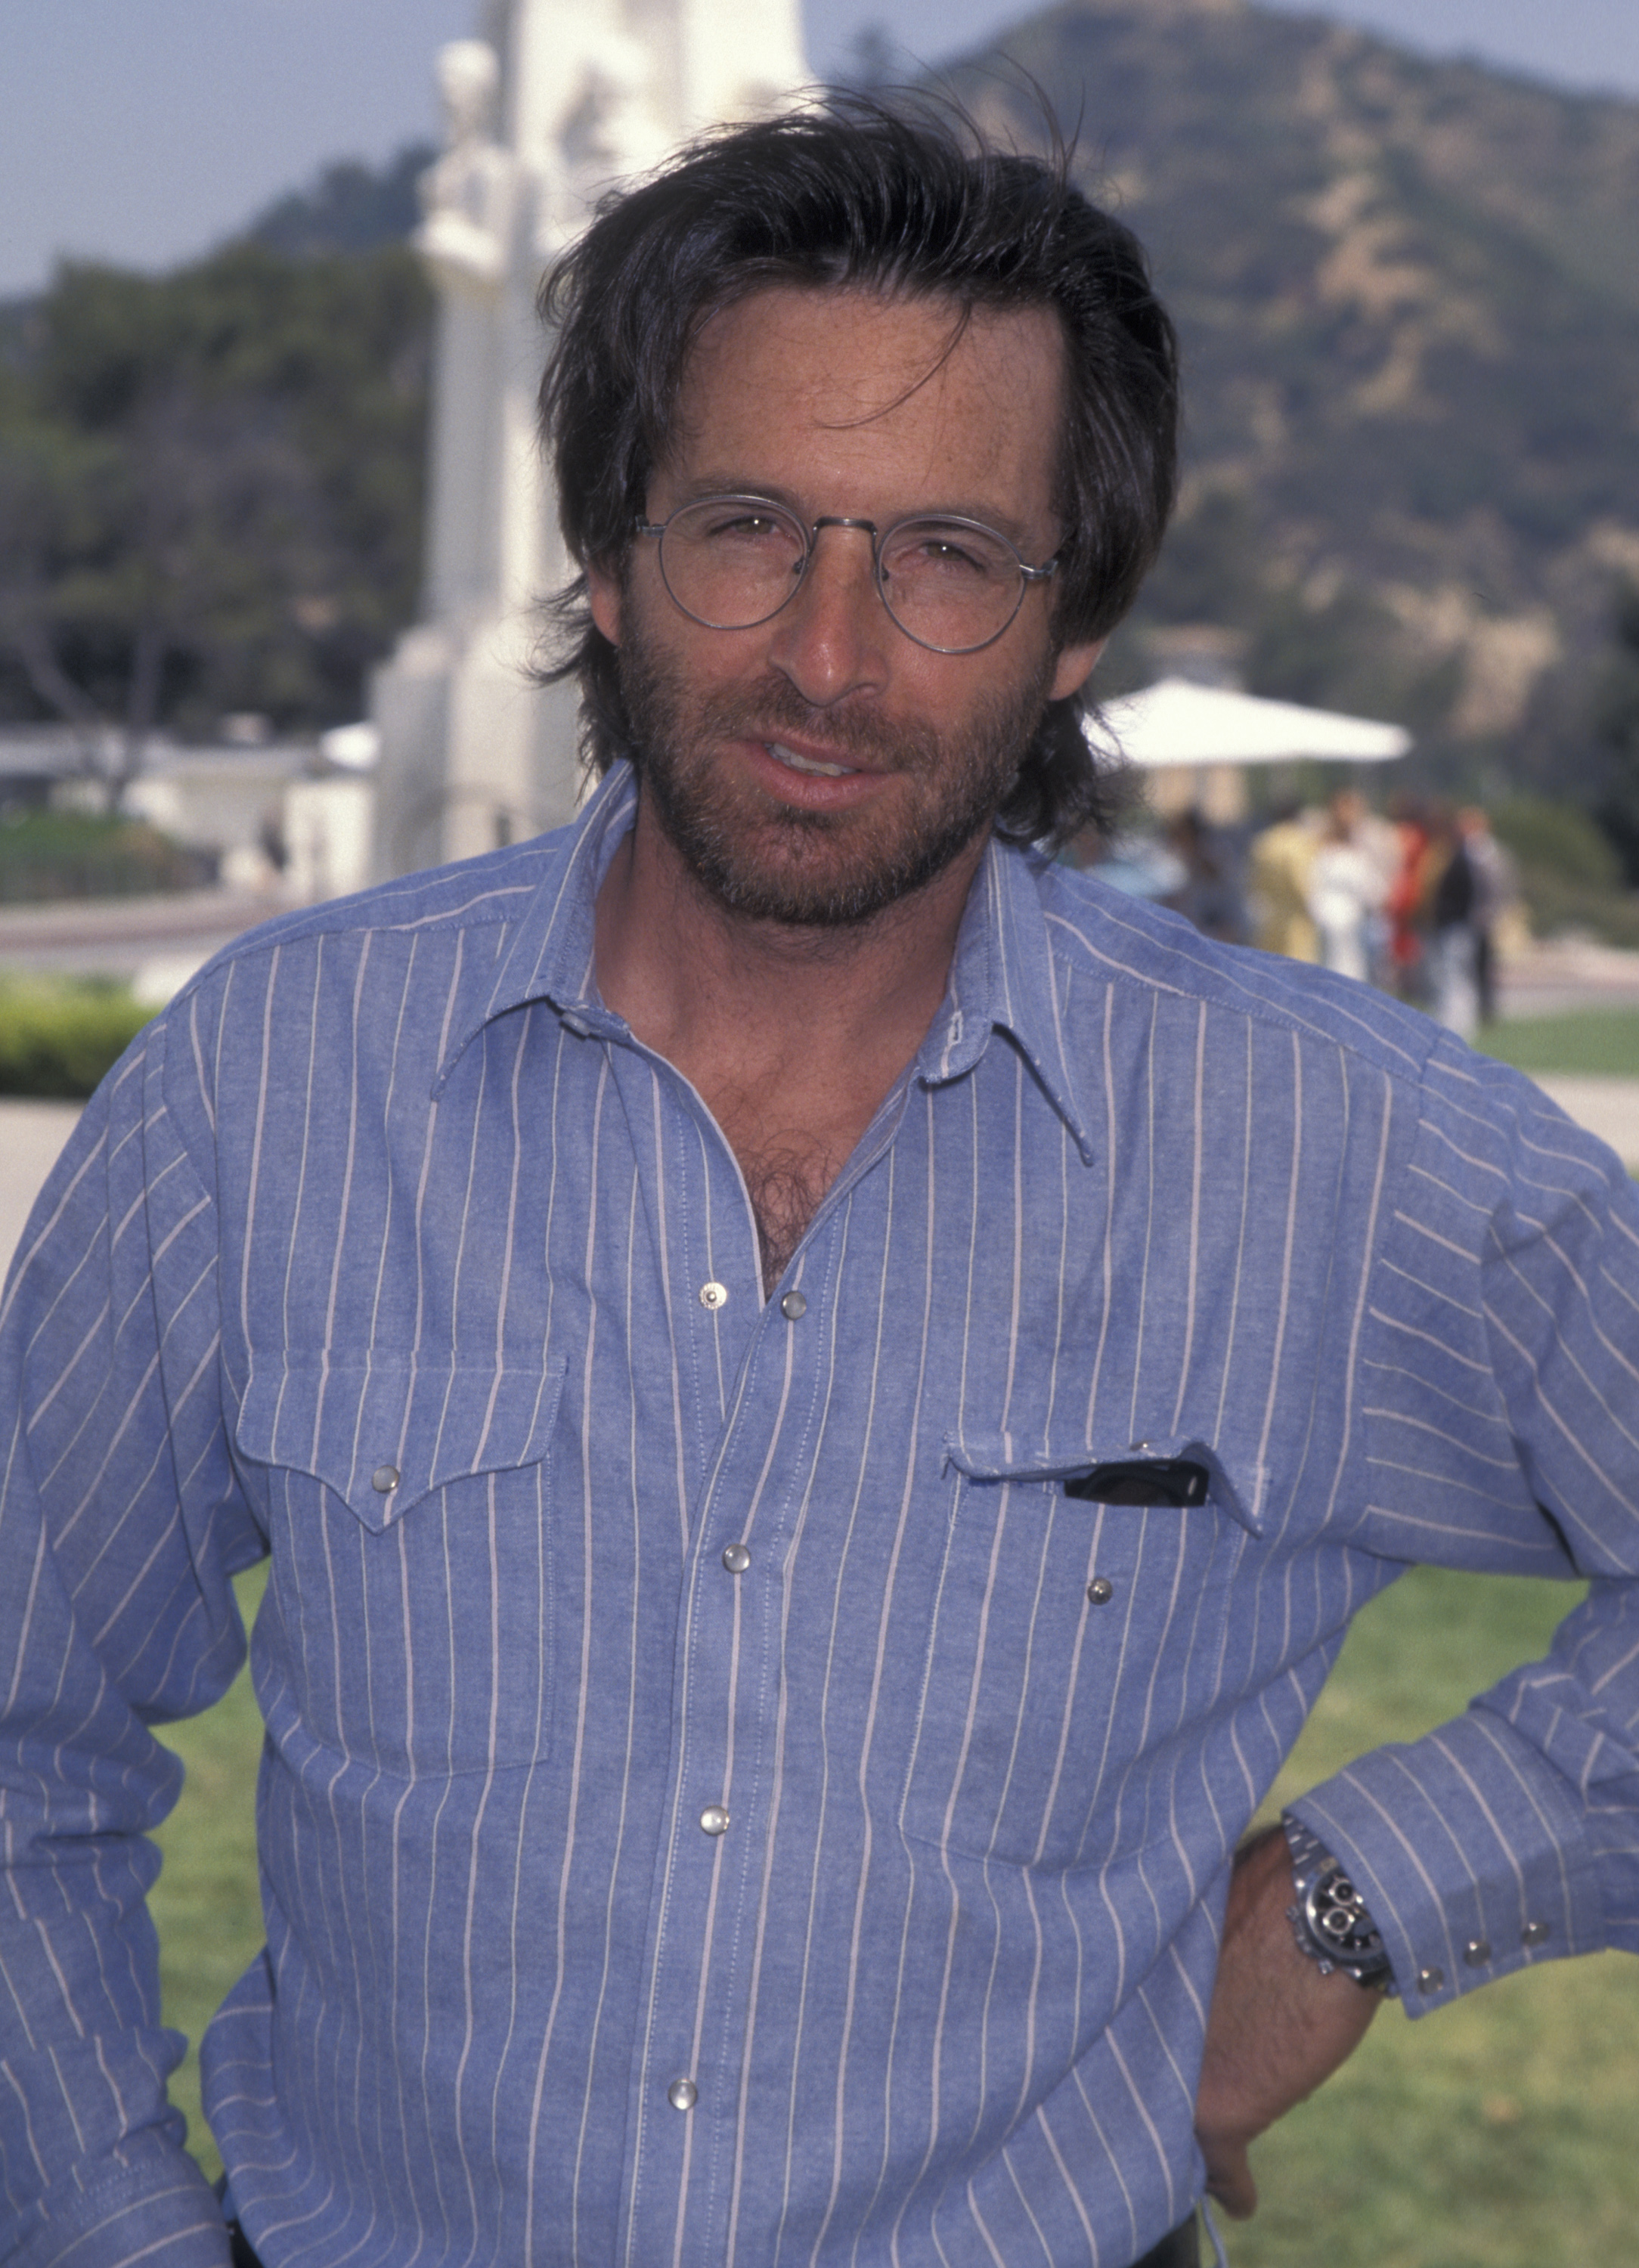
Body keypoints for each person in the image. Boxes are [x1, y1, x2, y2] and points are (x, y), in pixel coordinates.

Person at [2, 98, 1637, 2268]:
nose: (830, 657)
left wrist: (1369, 1898)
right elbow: (19, 1729)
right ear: (608, 559)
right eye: (748, 526)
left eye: (949, 554)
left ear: (1074, 625)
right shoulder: (270, 1086)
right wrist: (112, 2229)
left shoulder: (1323, 1154)